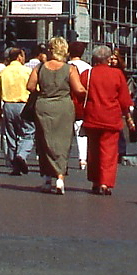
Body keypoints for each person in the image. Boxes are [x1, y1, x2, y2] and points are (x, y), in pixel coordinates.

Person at [27, 36, 82, 194]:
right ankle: (60, 177)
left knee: (44, 142)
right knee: (63, 143)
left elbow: (30, 86)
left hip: (43, 105)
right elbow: (78, 89)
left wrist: (42, 93)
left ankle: (46, 179)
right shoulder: (69, 69)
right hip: (63, 106)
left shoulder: (40, 67)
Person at [79, 44, 135, 194]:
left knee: (94, 151)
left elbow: (79, 95)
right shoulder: (117, 75)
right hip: (111, 117)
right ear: (108, 58)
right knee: (109, 152)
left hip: (92, 116)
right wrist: (129, 118)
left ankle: (96, 180)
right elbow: (124, 99)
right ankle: (106, 182)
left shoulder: (87, 74)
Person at [0, 47, 35, 175]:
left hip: (8, 105)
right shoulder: (27, 71)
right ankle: (21, 155)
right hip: (24, 105)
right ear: (19, 57)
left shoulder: (2, 73)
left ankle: (14, 163)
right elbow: (34, 89)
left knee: (10, 136)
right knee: (28, 133)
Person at [67, 40, 93, 170]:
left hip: (65, 102)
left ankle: (63, 158)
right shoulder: (88, 68)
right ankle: (83, 158)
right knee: (81, 133)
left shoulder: (64, 66)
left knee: (64, 134)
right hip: (81, 103)